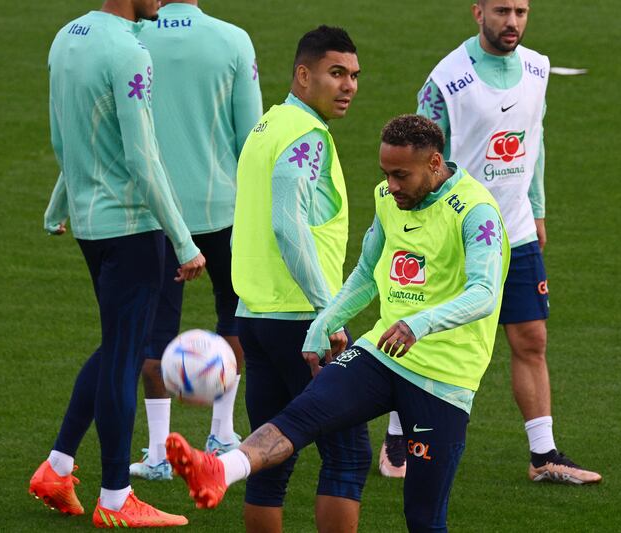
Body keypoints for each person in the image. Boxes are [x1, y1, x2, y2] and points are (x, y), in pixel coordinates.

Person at [165, 114, 510, 532]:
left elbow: (484, 293)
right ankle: (219, 470)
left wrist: (419, 324)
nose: (391, 185)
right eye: (386, 173)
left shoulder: (476, 212)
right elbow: (366, 274)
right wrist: (322, 323)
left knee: (423, 517)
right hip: (382, 354)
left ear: (435, 163)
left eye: (402, 175)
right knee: (299, 416)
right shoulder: (387, 198)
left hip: (444, 379)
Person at [382, 0, 600, 485]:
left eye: (521, 11)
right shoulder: (446, 82)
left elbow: (533, 139)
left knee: (531, 338)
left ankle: (543, 455)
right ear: (477, 12)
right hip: (458, 233)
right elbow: (418, 162)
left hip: (516, 229)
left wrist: (537, 208)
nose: (513, 22)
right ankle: (398, 432)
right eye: (502, 10)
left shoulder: (538, 68)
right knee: (423, 334)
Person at [28, 0, 205, 528]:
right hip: (131, 227)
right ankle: (115, 499)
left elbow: (67, 136)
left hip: (89, 224)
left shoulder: (68, 35)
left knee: (117, 346)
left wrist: (60, 204)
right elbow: (142, 156)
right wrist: (183, 241)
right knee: (126, 358)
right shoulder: (131, 51)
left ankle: (57, 467)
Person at [206, 25, 368, 533]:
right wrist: (330, 312)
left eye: (354, 76)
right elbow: (286, 222)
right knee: (348, 456)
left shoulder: (267, 126)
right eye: (335, 73)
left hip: (255, 315)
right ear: (303, 75)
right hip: (301, 320)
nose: (348, 86)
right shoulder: (306, 137)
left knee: (270, 455)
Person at [127, 0, 263, 482]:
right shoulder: (233, 40)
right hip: (226, 210)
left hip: (154, 213)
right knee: (234, 316)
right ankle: (223, 434)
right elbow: (252, 136)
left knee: (153, 334)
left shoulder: (132, 37)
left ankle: (160, 453)